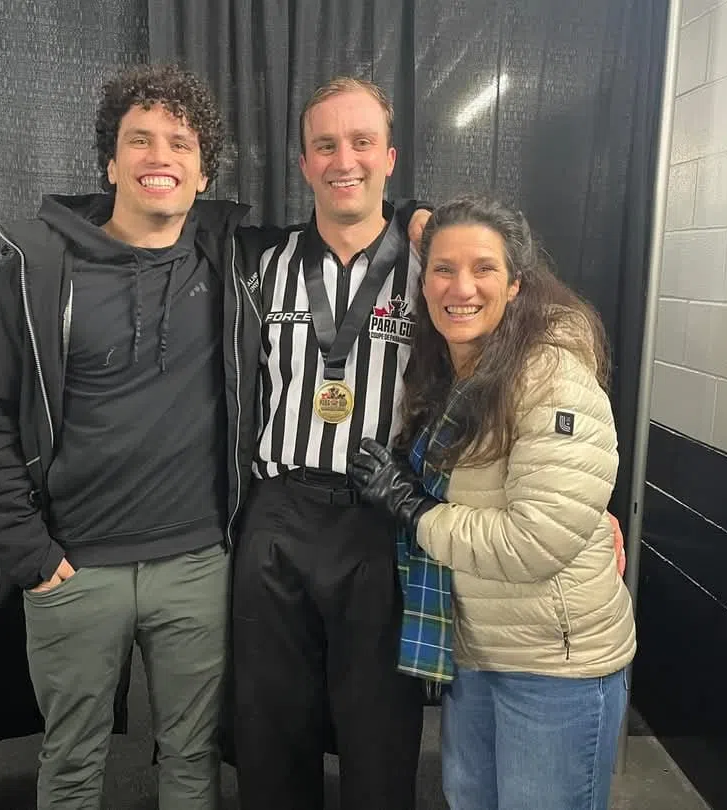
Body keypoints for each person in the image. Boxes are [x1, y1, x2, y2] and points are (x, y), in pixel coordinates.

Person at [0, 64, 269, 810]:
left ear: (202, 174)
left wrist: (419, 218)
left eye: (180, 142)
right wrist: (28, 553)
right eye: (140, 139)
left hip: (197, 564)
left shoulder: (236, 265)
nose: (159, 155)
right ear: (111, 161)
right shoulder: (35, 272)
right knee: (71, 766)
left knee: (193, 760)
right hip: (74, 569)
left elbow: (353, 219)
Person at [349, 194, 637, 810]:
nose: (461, 287)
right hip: (478, 649)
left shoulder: (551, 374)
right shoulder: (459, 371)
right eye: (444, 269)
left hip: (554, 665)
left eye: (483, 268)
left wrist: (412, 508)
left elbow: (535, 543)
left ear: (515, 285)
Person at [230, 76, 427, 810]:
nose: (344, 159)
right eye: (325, 144)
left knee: (380, 731)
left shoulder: (433, 268)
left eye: (361, 142)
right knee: (270, 727)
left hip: (379, 514)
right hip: (278, 512)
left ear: (389, 157)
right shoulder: (257, 265)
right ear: (304, 163)